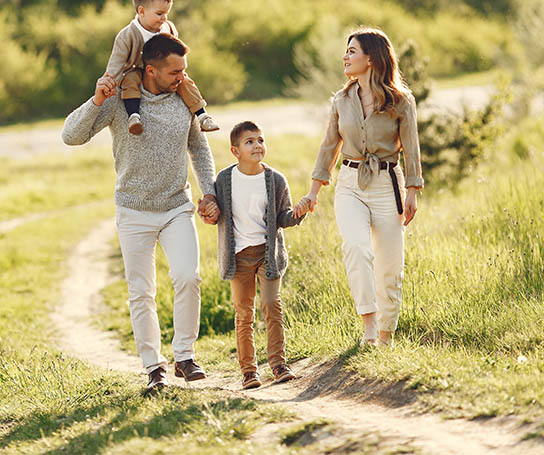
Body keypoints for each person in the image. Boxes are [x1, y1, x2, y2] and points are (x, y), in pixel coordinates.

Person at [62, 33, 219, 392]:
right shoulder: (120, 100)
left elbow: (200, 149)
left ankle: (185, 355)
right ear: (150, 70)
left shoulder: (184, 98)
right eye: (174, 71)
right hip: (133, 210)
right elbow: (71, 136)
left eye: (184, 70)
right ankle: (154, 367)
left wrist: (209, 192)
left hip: (176, 206)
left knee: (188, 277)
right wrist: (95, 100)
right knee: (141, 292)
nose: (183, 77)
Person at [294, 27, 423, 347]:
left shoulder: (400, 101)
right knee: (356, 248)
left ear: (371, 57)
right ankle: (368, 324)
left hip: (387, 184)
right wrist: (313, 191)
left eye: (352, 51)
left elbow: (411, 148)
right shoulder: (341, 100)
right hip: (349, 184)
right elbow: (329, 147)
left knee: (391, 266)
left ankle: (385, 336)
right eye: (346, 51)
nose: (345, 57)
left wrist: (412, 191)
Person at [201, 121, 305, 389]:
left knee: (272, 305)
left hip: (267, 255)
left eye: (260, 140)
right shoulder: (224, 180)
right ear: (235, 151)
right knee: (243, 312)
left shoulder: (275, 179)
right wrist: (207, 213)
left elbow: (282, 217)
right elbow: (216, 215)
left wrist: (297, 215)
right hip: (238, 258)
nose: (257, 145)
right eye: (250, 142)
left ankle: (278, 364)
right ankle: (249, 371)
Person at [104, 0, 219, 135]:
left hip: (164, 70)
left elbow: (177, 50)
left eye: (166, 13)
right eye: (159, 14)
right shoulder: (127, 35)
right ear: (141, 11)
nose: (164, 18)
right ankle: (133, 116)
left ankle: (202, 116)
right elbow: (116, 63)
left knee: (185, 82)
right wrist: (110, 82)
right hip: (138, 70)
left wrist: (180, 70)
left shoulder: (168, 27)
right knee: (129, 81)